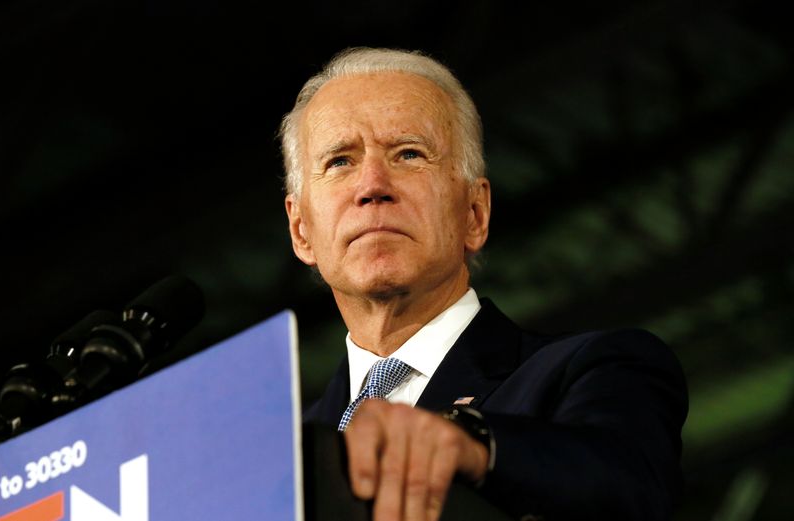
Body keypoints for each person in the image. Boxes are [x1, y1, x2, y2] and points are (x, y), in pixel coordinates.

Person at [280, 47, 688, 521]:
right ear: (301, 231)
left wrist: (475, 443)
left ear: (475, 213)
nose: (372, 185)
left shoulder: (591, 369)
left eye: (409, 154)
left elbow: (629, 484)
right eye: (339, 162)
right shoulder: (280, 456)